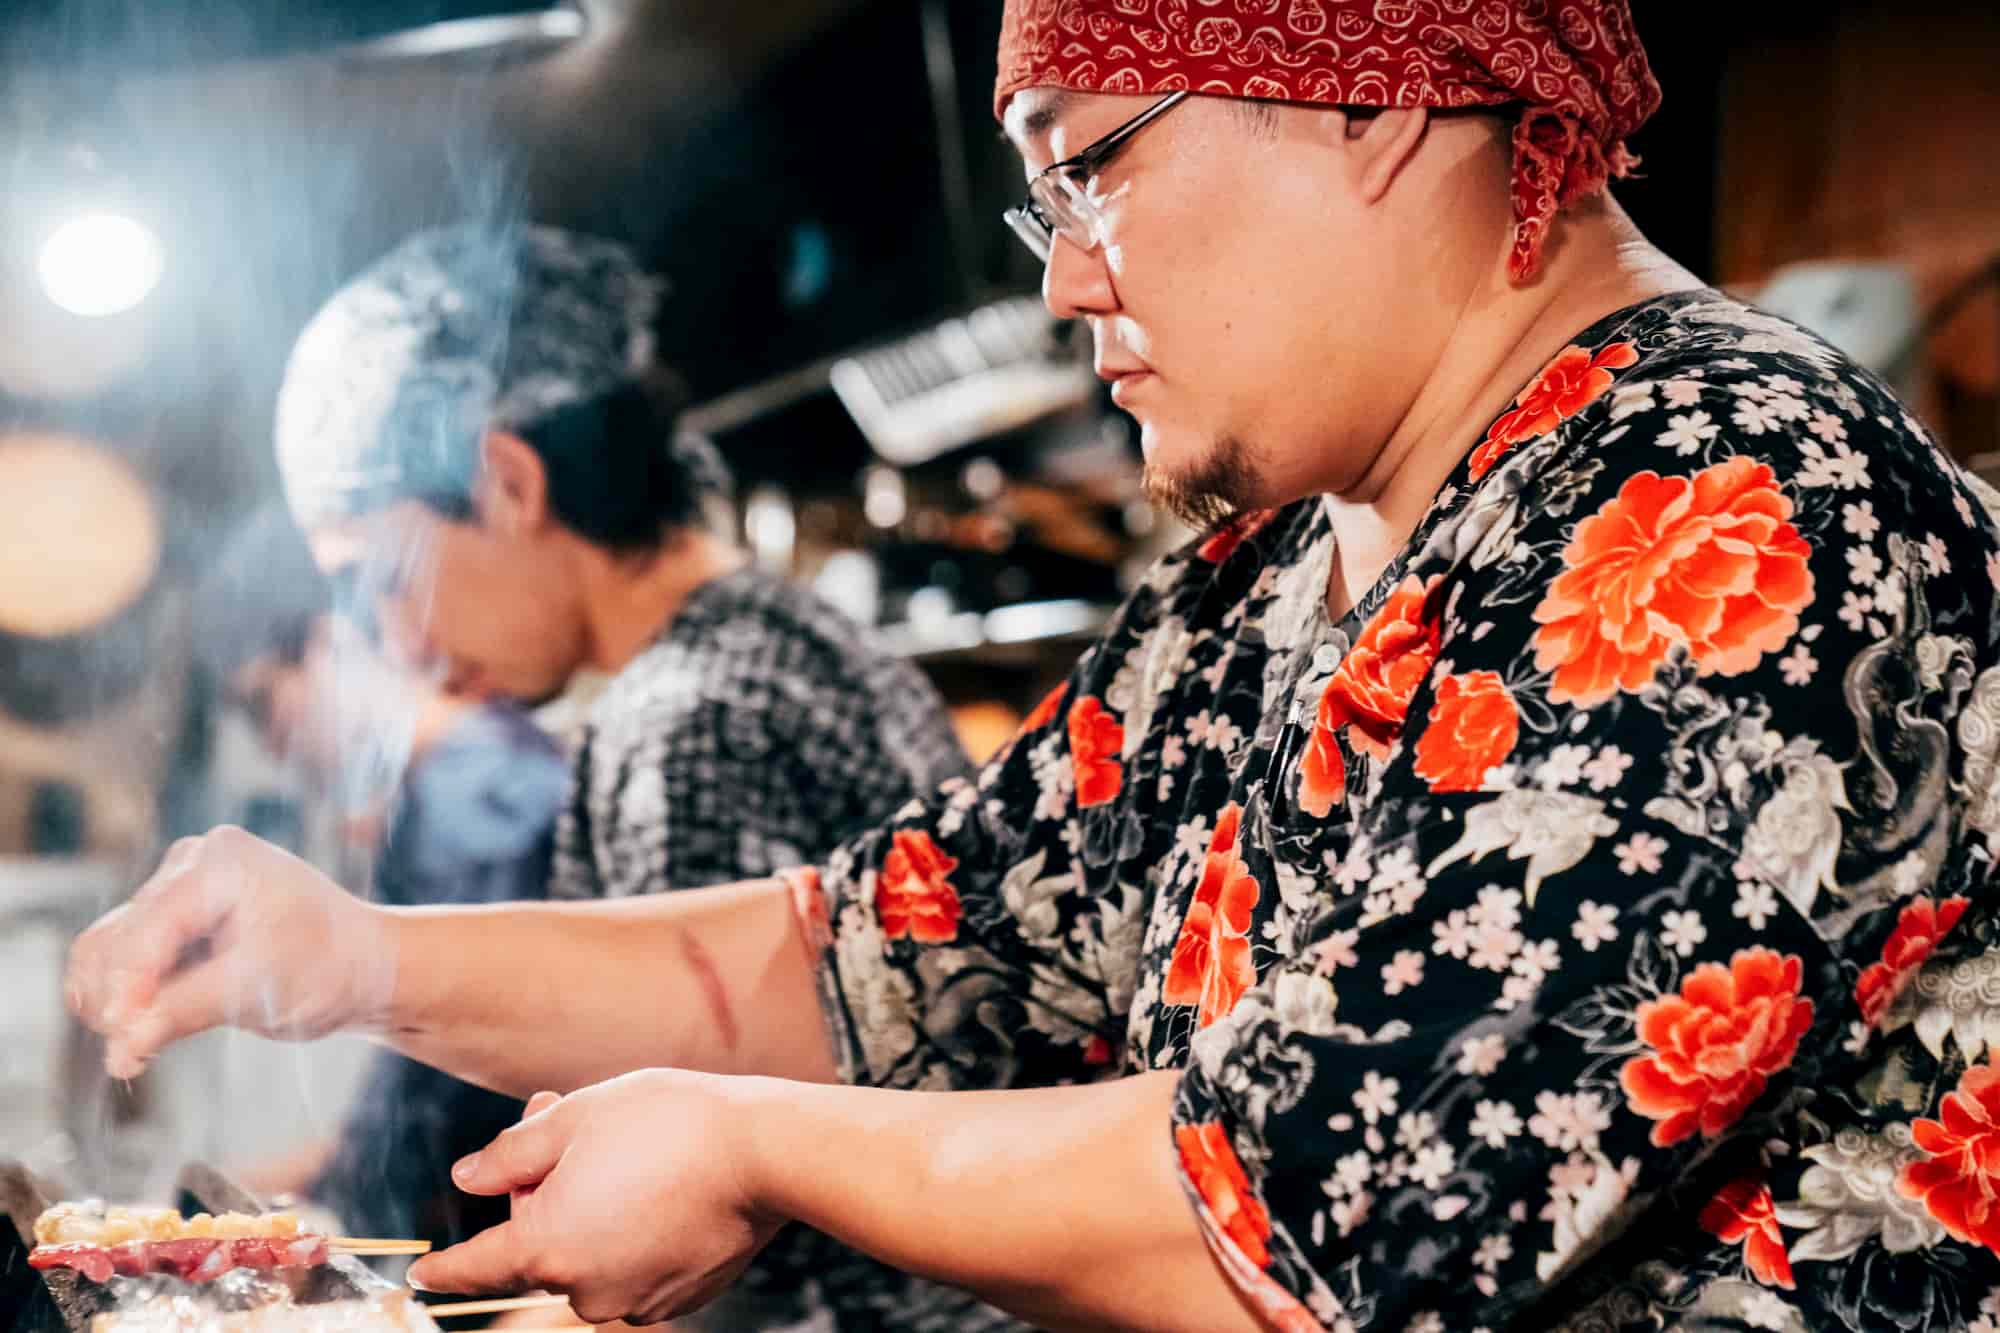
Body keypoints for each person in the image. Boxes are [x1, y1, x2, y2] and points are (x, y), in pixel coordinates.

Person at [68, 6, 2000, 1331]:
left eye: (1093, 171)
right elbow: (884, 951)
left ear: (1373, 99)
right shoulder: (1270, 576)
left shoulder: (1739, 486)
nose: (1066, 277)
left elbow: (1355, 1201)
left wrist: (754, 1144)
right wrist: (354, 957)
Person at [264, 222, 985, 1332]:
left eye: (375, 575)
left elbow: (705, 1232)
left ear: (505, 482)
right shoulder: (789, 637)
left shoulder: (681, 722)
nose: (391, 643)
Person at [192, 503, 568, 1251]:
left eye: (267, 703)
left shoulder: (476, 791)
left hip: (520, 1226)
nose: (275, 745)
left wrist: (330, 1187)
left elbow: (470, 1064)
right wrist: (308, 1176)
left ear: (330, 645)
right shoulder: (461, 780)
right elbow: (423, 1057)